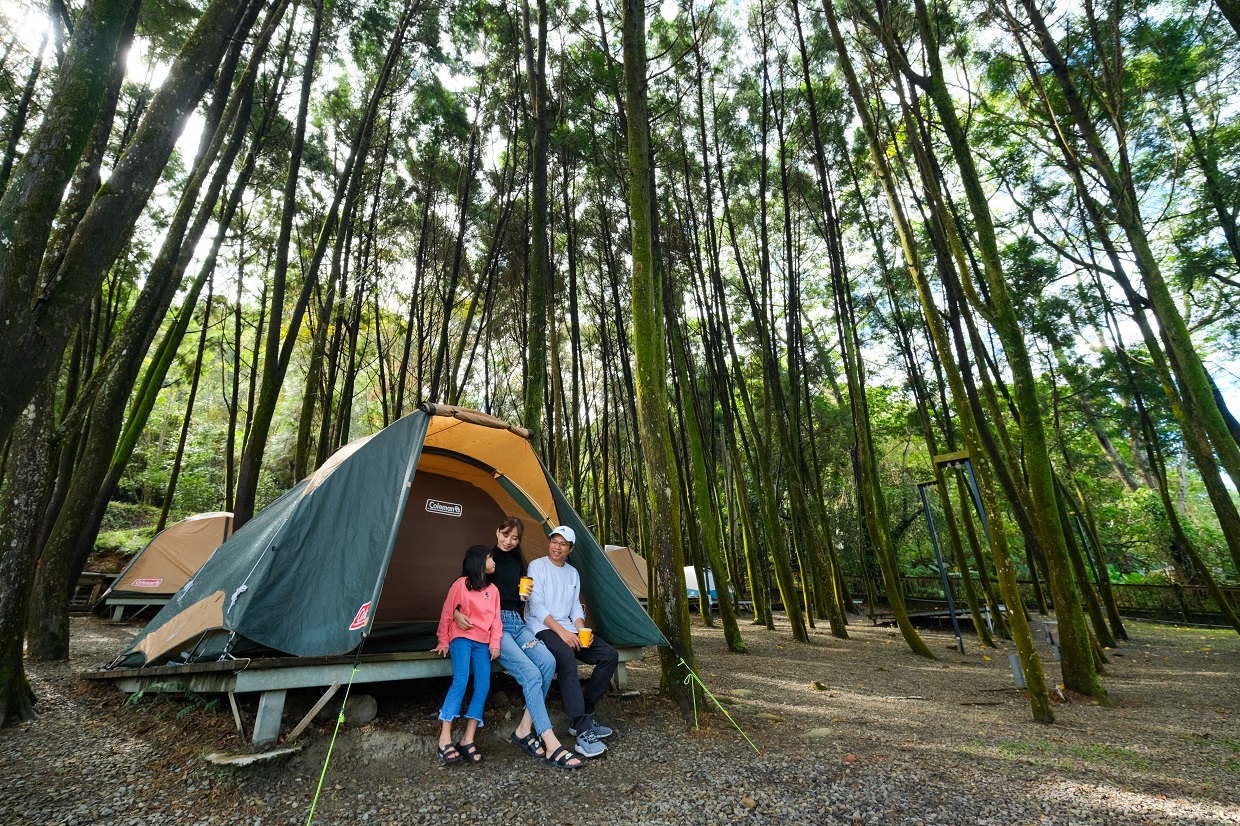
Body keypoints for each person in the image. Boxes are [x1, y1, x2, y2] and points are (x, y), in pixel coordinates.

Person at [453, 517, 583, 770]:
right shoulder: (486, 557)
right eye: (505, 535)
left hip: (516, 621)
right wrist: (458, 611)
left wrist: (523, 595)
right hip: (494, 625)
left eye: (515, 538)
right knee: (531, 674)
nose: (509, 542)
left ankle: (524, 729)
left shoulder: (516, 560)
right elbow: (464, 587)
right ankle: (550, 741)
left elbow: (518, 596)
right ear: (497, 531)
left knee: (547, 661)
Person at [525, 525, 618, 758]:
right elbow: (536, 607)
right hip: (541, 627)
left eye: (562, 544)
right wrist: (563, 634)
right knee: (566, 658)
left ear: (570, 548)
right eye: (554, 541)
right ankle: (582, 730)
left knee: (609, 655)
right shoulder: (537, 566)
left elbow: (575, 606)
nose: (557, 547)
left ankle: (584, 713)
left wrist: (580, 630)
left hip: (567, 628)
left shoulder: (572, 573)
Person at [433, 545, 501, 765]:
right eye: (491, 558)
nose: (494, 562)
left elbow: (496, 620)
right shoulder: (460, 585)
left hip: (483, 643)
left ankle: (467, 739)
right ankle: (444, 739)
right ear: (480, 561)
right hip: (461, 639)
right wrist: (443, 639)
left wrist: (495, 643)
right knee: (461, 681)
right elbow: (447, 612)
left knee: (483, 685)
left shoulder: (494, 590)